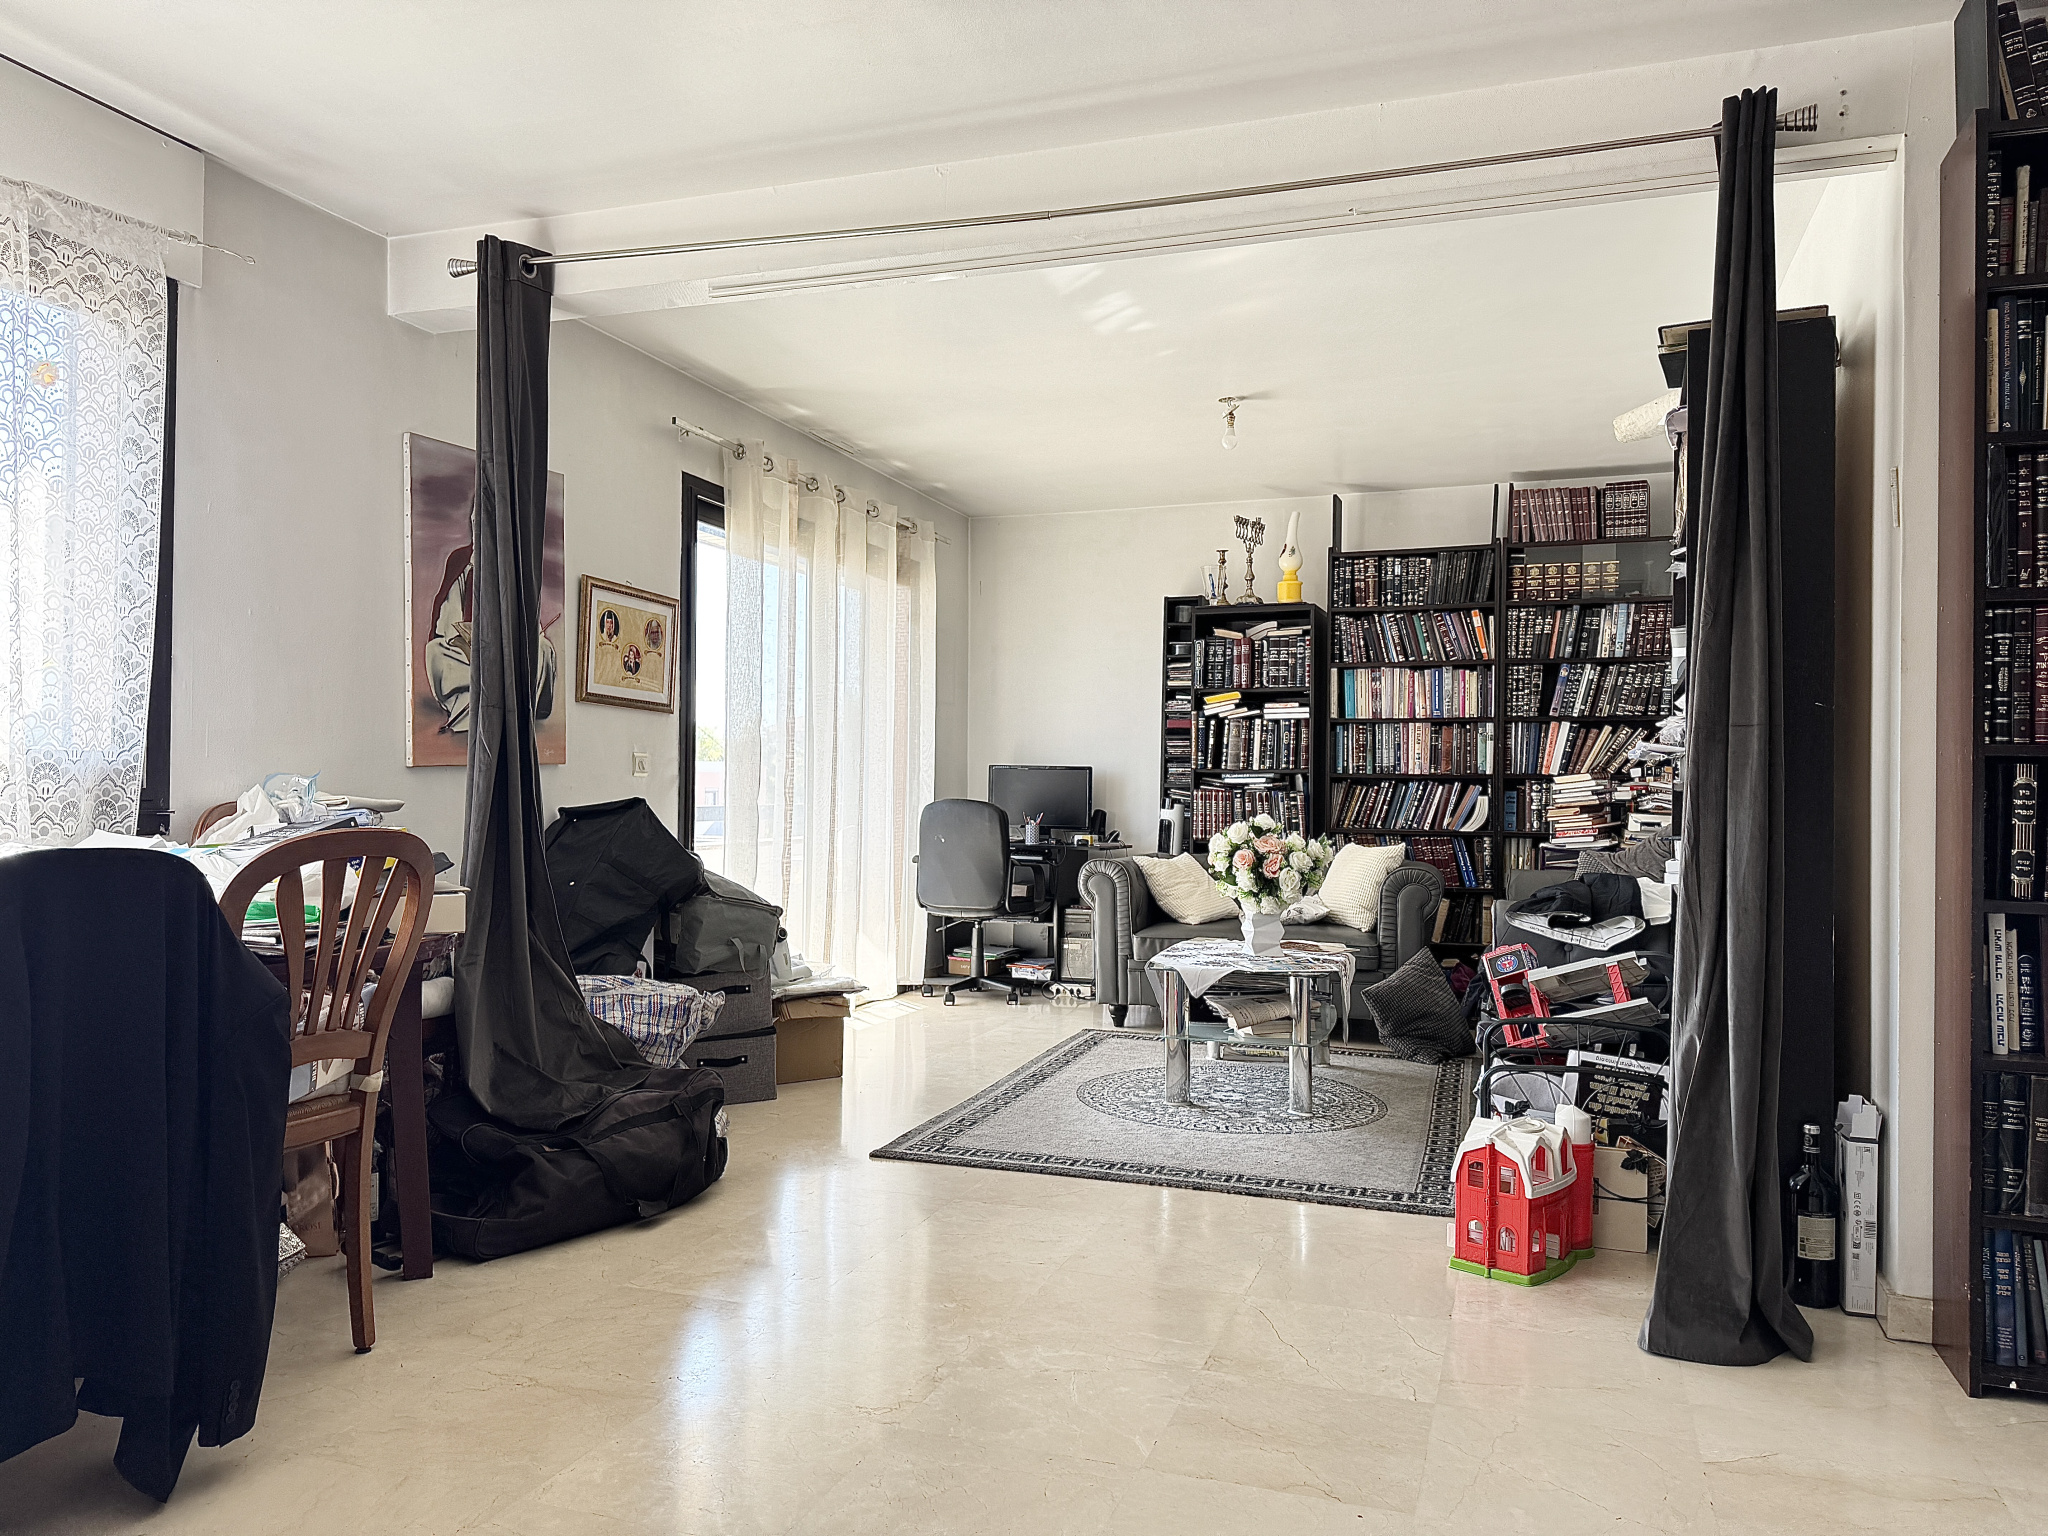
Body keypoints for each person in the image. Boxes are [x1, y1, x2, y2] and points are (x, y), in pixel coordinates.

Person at [424, 544, 556, 736]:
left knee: (543, 647)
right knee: (435, 651)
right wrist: (462, 643)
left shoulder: (511, 568)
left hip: (508, 654)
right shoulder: (461, 561)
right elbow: (448, 616)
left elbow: (525, 619)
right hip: (468, 653)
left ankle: (513, 702)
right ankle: (478, 699)